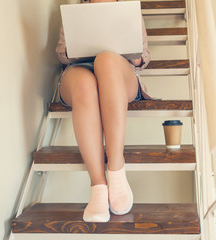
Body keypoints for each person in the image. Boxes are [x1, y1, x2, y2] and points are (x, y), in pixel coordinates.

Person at [55, 0, 152, 222]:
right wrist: (76, 48)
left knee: (106, 59)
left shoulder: (128, 9)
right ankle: (98, 186)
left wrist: (134, 54)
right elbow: (61, 54)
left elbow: (143, 57)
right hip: (80, 69)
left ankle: (116, 172)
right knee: (84, 85)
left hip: (118, 70)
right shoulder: (75, 10)